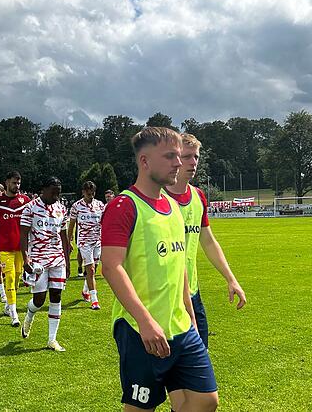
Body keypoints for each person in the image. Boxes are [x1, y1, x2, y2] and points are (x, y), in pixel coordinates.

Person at [101, 127, 218, 412]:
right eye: (169, 156)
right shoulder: (123, 206)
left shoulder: (174, 207)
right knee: (141, 408)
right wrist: (145, 321)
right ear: (145, 161)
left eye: (179, 156)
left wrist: (189, 315)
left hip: (181, 327)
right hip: (140, 331)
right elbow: (111, 266)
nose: (178, 162)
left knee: (205, 400)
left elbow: (180, 268)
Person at [165, 134, 246, 349]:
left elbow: (208, 241)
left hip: (192, 291)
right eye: (187, 156)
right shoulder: (157, 197)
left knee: (200, 361)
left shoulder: (198, 196)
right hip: (164, 296)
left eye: (196, 157)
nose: (193, 162)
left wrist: (231, 279)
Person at [19, 177, 71, 352]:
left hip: (57, 258)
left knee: (56, 296)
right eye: (53, 191)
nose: (57, 195)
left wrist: (67, 261)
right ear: (44, 189)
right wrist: (26, 259)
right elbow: (23, 235)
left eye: (59, 192)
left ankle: (52, 340)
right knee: (39, 300)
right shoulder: (30, 208)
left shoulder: (61, 209)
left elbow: (64, 237)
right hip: (38, 259)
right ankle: (29, 314)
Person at [0, 171, 31, 327]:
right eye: (13, 183)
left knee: (17, 276)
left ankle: (8, 307)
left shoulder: (25, 201)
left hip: (21, 248)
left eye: (18, 183)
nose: (16, 186)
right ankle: (14, 315)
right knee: (10, 277)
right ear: (7, 182)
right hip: (4, 248)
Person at [67, 180, 105, 310]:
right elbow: (71, 224)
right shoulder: (76, 206)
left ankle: (85, 290)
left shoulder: (100, 205)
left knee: (93, 269)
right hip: (84, 242)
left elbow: (105, 223)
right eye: (89, 193)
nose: (91, 196)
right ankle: (94, 300)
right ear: (83, 192)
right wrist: (69, 241)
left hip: (97, 241)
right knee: (91, 269)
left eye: (93, 193)